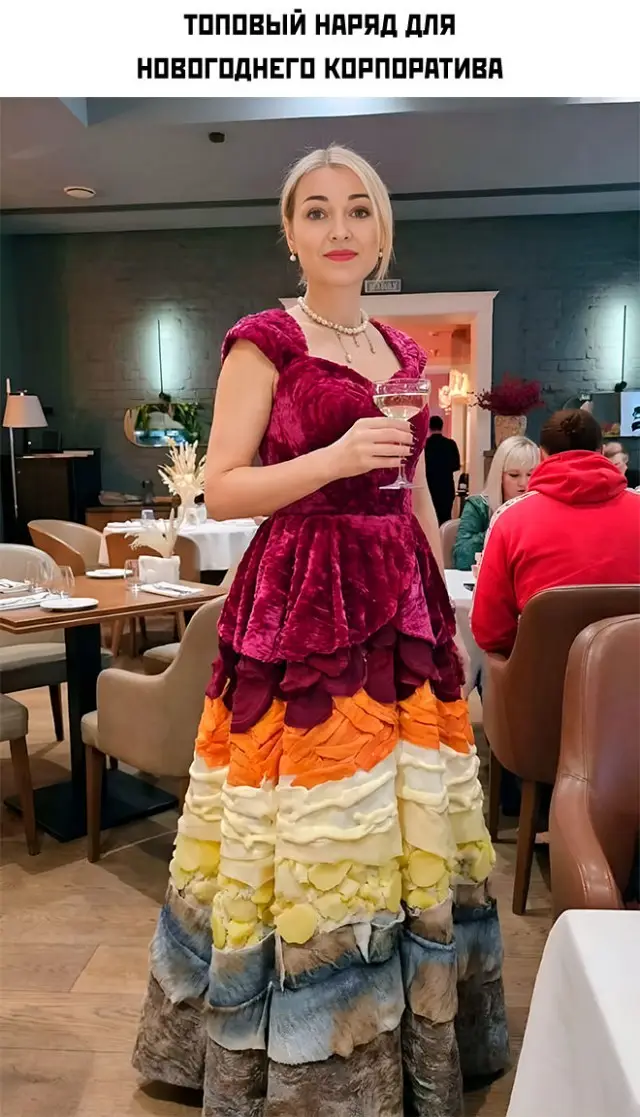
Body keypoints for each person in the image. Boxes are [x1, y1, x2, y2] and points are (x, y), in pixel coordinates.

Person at [133, 145, 508, 1117]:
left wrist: (441, 596)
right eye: (316, 210)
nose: (338, 228)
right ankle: (312, 1057)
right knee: (309, 823)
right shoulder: (263, 342)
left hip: (400, 598)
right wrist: (335, 457)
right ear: (290, 234)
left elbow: (412, 488)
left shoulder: (404, 356)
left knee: (404, 813)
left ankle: (407, 1032)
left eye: (357, 210)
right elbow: (224, 488)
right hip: (302, 596)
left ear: (381, 233)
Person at [471, 409, 640, 656]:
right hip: (631, 672)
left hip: (539, 676)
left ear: (542, 455)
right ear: (602, 452)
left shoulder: (510, 520)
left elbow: (489, 632)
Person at [453, 435, 540, 570]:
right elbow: (462, 558)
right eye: (514, 475)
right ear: (499, 476)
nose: (523, 483)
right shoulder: (478, 506)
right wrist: (499, 528)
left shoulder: (544, 508)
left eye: (530, 474)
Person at [424, 414, 461, 525]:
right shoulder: (450, 444)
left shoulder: (425, 445)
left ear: (429, 427)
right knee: (445, 517)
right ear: (442, 426)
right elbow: (456, 465)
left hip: (429, 486)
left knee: (430, 518)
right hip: (446, 486)